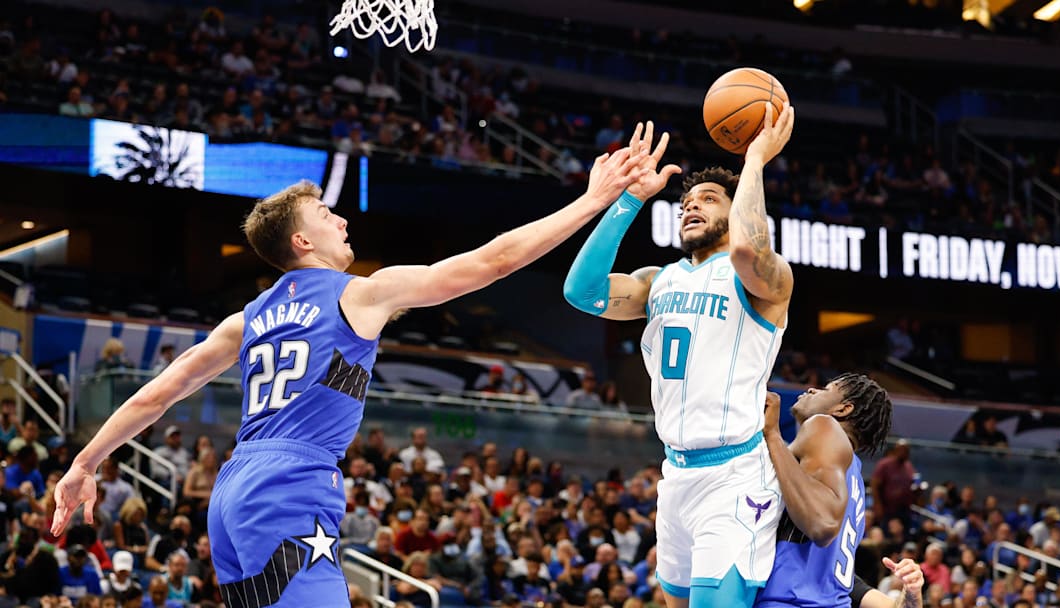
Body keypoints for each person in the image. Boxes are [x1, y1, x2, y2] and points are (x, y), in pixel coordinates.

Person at [52, 144, 648, 607]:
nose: (342, 221)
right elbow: (493, 261)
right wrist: (593, 200)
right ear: (303, 239)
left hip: (234, 488)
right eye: (326, 214)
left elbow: (160, 392)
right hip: (291, 484)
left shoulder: (247, 318)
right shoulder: (360, 294)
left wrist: (85, 463)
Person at [562, 107, 796, 608]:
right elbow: (581, 292)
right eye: (686, 202)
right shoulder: (657, 280)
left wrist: (754, 160)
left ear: (736, 213)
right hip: (676, 475)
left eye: (708, 200)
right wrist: (630, 199)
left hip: (735, 477)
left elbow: (748, 253)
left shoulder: (765, 280)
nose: (690, 207)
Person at [755, 374, 892, 607]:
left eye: (826, 389)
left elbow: (823, 523)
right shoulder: (854, 481)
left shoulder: (823, 425)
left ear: (843, 409)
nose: (811, 390)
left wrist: (773, 435)